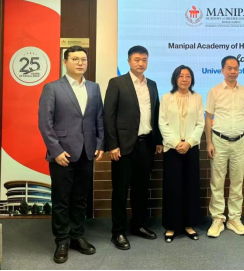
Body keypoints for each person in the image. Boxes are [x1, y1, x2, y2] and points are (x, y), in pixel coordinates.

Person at [38, 46, 105, 264]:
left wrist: (100, 144)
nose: (80, 63)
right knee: (61, 200)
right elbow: (45, 123)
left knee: (80, 199)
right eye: (75, 59)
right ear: (65, 62)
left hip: (87, 152)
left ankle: (77, 236)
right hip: (63, 154)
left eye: (83, 59)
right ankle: (62, 240)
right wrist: (56, 150)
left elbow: (99, 118)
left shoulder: (94, 88)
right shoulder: (52, 88)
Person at [104, 46, 163, 251]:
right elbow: (108, 116)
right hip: (123, 147)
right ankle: (118, 232)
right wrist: (112, 145)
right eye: (137, 59)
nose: (141, 63)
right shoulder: (117, 83)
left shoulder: (152, 84)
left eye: (144, 60)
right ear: (129, 61)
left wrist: (158, 140)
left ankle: (138, 225)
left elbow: (156, 113)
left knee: (141, 189)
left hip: (146, 144)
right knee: (121, 190)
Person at [205, 56, 244, 238]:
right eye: (229, 68)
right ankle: (218, 219)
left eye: (236, 68)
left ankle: (234, 218)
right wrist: (209, 142)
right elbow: (208, 118)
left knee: (237, 181)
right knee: (217, 182)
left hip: (240, 142)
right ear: (222, 70)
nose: (233, 71)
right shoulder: (214, 91)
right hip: (218, 141)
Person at [159, 66, 205, 243]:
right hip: (172, 149)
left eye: (188, 76)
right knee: (172, 188)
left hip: (191, 148)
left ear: (192, 79)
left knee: (190, 187)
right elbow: (162, 123)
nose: (184, 79)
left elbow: (200, 123)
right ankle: (171, 226)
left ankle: (189, 225)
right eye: (181, 76)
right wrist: (176, 143)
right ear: (175, 78)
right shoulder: (166, 98)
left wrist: (189, 142)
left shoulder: (197, 97)